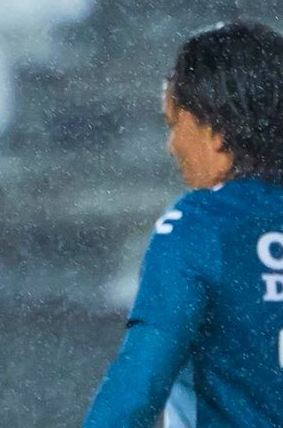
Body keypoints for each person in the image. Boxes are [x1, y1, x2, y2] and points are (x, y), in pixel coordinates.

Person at [84, 21, 283, 427]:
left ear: (215, 128)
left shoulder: (201, 226)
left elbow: (137, 388)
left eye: (175, 122)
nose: (171, 145)